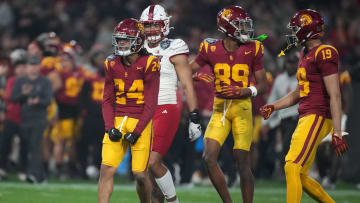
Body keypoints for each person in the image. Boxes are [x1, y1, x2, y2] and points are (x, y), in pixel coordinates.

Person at [260, 9, 349, 203]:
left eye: (296, 28)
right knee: (299, 173)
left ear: (307, 30)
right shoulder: (304, 53)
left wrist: (337, 132)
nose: (293, 33)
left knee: (291, 165)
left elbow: (335, 94)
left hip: (317, 115)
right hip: (307, 115)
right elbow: (300, 92)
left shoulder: (324, 52)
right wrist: (274, 106)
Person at [190, 6, 268, 203]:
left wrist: (243, 91)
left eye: (245, 25)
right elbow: (189, 70)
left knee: (242, 162)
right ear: (226, 27)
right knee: (209, 158)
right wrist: (202, 76)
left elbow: (263, 85)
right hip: (220, 109)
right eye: (240, 25)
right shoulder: (210, 48)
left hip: (242, 108)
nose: (245, 29)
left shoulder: (254, 48)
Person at [139, 4, 202, 203]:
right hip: (141, 110)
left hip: (166, 106)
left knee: (152, 162)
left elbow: (187, 84)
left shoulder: (174, 46)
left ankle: (174, 201)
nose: (150, 30)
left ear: (164, 25)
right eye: (147, 26)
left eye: (154, 25)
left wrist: (194, 116)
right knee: (144, 169)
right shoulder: (136, 47)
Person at [98, 18, 160, 203]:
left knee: (140, 175)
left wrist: (137, 131)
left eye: (126, 39)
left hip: (140, 121)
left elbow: (150, 104)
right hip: (118, 120)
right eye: (119, 39)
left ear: (139, 40)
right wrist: (110, 127)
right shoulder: (111, 63)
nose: (121, 43)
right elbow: (107, 100)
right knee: (106, 169)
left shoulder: (149, 63)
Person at [10, 55, 53, 183]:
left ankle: (33, 174)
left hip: (39, 118)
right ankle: (40, 175)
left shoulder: (45, 81)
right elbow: (13, 98)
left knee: (35, 145)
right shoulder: (20, 81)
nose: (33, 68)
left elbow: (48, 100)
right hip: (24, 118)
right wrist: (24, 94)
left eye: (35, 65)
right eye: (31, 65)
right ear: (26, 67)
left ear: (39, 67)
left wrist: (38, 101)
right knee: (27, 146)